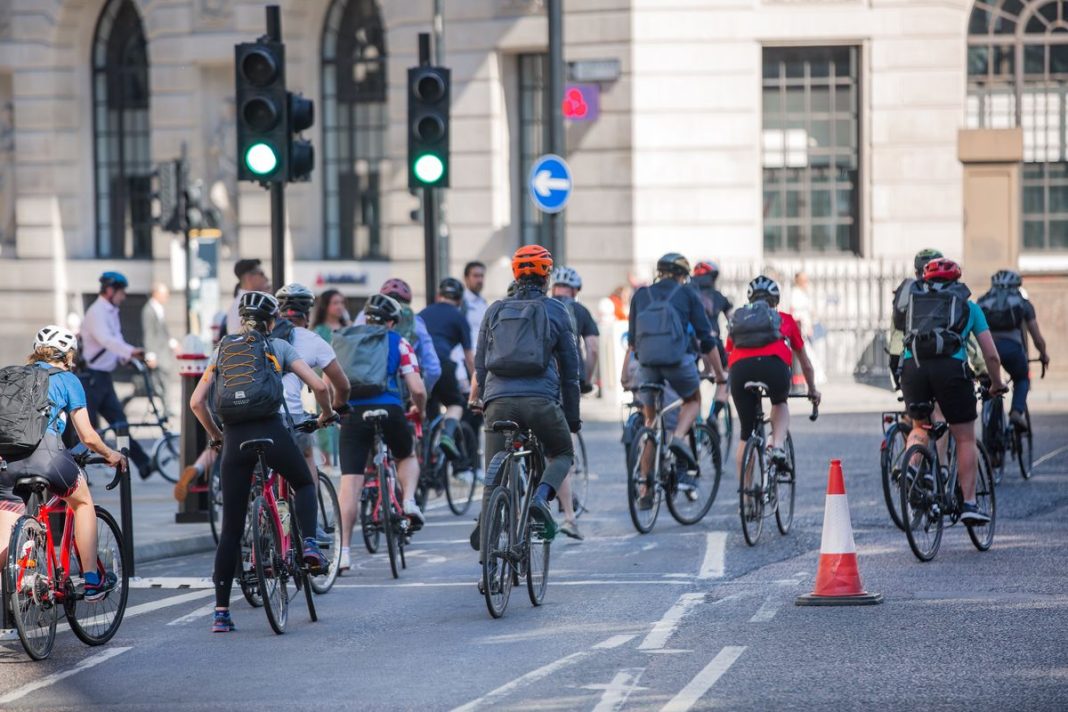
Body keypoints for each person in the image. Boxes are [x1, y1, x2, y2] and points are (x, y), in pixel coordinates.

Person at [190, 291, 334, 633]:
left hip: (235, 438)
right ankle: (310, 546)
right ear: (272, 321)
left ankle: (222, 612)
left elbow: (197, 402)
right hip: (272, 430)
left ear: (242, 320)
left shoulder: (222, 349)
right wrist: (325, 414)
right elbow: (318, 385)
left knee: (231, 529)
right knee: (302, 482)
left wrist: (216, 436)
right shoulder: (278, 347)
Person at [0, 326, 126, 601]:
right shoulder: (67, 379)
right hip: (48, 456)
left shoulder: (16, 377)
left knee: (5, 535)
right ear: (68, 355)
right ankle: (93, 580)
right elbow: (88, 436)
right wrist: (111, 454)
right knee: (82, 503)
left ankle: (23, 574)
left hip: (7, 461)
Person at [469, 244, 581, 543]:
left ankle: (488, 532)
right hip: (541, 401)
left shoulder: (495, 310)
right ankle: (540, 499)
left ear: (515, 275)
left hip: (498, 402)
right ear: (546, 277)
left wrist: (485, 398)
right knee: (563, 452)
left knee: (492, 473)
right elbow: (571, 373)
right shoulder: (556, 309)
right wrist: (572, 420)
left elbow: (480, 363)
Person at [899, 258, 1006, 525]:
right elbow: (991, 356)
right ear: (956, 281)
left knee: (921, 426)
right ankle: (969, 503)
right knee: (965, 437)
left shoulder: (914, 304)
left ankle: (911, 468)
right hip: (950, 370)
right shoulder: (969, 307)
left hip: (913, 368)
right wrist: (997, 383)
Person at [623, 253, 726, 504]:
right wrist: (720, 375)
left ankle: (645, 490)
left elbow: (633, 340)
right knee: (692, 400)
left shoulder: (640, 295)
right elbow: (706, 338)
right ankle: (679, 439)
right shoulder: (687, 294)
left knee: (650, 420)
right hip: (676, 362)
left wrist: (627, 371)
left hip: (647, 364)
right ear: (682, 275)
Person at [337, 295, 427, 572]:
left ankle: (343, 552)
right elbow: (418, 388)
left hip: (353, 413)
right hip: (389, 409)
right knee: (406, 453)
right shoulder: (398, 342)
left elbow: (331, 384)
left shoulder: (344, 341)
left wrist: (337, 410)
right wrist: (419, 410)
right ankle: (409, 500)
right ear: (391, 321)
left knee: (350, 483)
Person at [726, 276, 820, 487]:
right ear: (776, 300)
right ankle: (776, 445)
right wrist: (813, 390)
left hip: (740, 371)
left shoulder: (739, 321)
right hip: (773, 367)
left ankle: (746, 493)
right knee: (779, 402)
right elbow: (805, 363)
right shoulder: (785, 319)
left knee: (745, 433)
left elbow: (728, 354)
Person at [273, 284, 351, 517]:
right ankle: (311, 526)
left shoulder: (260, 337)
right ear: (307, 312)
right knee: (306, 455)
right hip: (290, 415)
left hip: (252, 414)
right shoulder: (314, 340)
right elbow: (342, 385)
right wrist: (335, 408)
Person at [78, 271, 152, 479]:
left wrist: (125, 358)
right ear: (110, 291)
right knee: (86, 430)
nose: (124, 296)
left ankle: (143, 463)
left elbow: (115, 340)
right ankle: (78, 473)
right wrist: (130, 351)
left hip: (104, 377)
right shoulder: (96, 312)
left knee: (120, 424)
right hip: (91, 378)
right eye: (121, 292)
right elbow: (106, 340)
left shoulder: (111, 311)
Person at [549, 265, 600, 540]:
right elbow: (592, 348)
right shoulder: (579, 311)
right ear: (576, 290)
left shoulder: (541, 307)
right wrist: (587, 379)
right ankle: (568, 514)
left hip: (536, 381)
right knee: (561, 447)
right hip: (566, 381)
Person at [977, 269, 1050, 429]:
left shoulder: (981, 302)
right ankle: (1016, 413)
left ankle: (989, 422)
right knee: (1021, 378)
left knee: (989, 385)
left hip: (986, 351)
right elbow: (1037, 338)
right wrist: (1043, 354)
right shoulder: (1023, 303)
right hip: (1013, 350)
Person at [418, 277, 474, 466]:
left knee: (427, 409)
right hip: (442, 364)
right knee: (456, 403)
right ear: (459, 300)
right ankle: (447, 435)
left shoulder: (423, 313)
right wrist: (476, 381)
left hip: (419, 367)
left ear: (438, 296)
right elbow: (469, 357)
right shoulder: (459, 318)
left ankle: (425, 454)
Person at [354, 278, 442, 395]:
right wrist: (422, 394)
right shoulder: (413, 328)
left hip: (362, 391)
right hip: (399, 396)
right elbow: (433, 369)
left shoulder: (363, 316)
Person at [690, 260, 733, 414]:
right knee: (726, 375)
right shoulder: (718, 297)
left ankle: (694, 414)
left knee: (691, 378)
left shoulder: (686, 294)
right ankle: (714, 415)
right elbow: (733, 323)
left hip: (690, 345)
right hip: (712, 342)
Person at [141, 282, 178, 416]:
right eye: (165, 294)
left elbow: (164, 332)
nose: (166, 297)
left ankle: (166, 407)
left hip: (163, 352)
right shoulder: (149, 310)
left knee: (165, 380)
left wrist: (173, 344)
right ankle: (165, 408)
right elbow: (149, 333)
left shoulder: (158, 309)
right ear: (156, 293)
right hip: (158, 353)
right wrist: (150, 355)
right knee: (160, 382)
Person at [224, 259, 270, 337]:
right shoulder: (245, 303)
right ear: (249, 278)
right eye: (261, 274)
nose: (266, 278)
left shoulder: (245, 301)